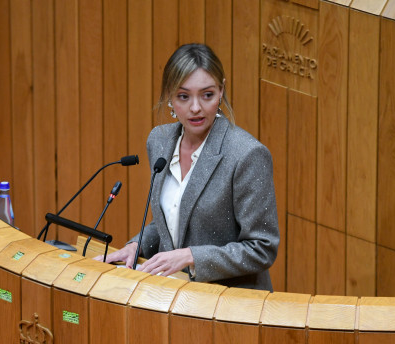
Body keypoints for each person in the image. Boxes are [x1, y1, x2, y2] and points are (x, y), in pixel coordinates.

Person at [96, 43, 279, 291]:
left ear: (221, 90)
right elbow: (171, 223)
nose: (195, 108)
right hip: (172, 296)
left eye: (207, 95)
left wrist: (191, 256)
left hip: (228, 304)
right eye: (184, 96)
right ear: (170, 96)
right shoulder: (159, 142)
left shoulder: (246, 154)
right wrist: (135, 247)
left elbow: (261, 248)